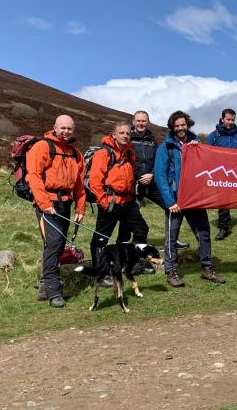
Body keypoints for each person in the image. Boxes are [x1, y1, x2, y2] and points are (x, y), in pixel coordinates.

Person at [155, 110, 226, 287]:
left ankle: (207, 268)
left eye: (183, 125)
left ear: (188, 125)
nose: (180, 128)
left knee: (203, 234)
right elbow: (160, 176)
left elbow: (209, 166)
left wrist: (199, 149)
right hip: (175, 200)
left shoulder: (197, 144)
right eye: (177, 125)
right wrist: (169, 201)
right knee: (171, 237)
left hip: (195, 199)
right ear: (172, 127)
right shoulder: (165, 148)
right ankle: (171, 271)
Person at [26, 115, 86, 308]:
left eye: (69, 128)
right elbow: (34, 177)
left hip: (65, 204)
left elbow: (79, 184)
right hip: (47, 203)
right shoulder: (42, 147)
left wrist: (80, 208)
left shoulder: (75, 153)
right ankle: (54, 292)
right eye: (62, 128)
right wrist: (45, 204)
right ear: (55, 127)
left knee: (57, 246)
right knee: (54, 243)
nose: (66, 131)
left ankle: (45, 287)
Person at [117, 110, 190, 250]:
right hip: (134, 183)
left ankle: (173, 240)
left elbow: (158, 160)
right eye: (138, 121)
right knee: (129, 212)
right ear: (133, 122)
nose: (141, 123)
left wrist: (152, 174)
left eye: (144, 121)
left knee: (172, 206)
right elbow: (125, 161)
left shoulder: (152, 140)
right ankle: (123, 244)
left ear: (148, 122)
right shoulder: (127, 139)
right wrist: (139, 176)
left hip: (152, 182)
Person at [88, 121, 151, 278]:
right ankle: (101, 272)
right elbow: (95, 182)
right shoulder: (103, 153)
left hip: (128, 202)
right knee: (101, 239)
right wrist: (104, 202)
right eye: (121, 133)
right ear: (114, 135)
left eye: (128, 133)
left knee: (141, 230)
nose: (125, 136)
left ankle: (131, 263)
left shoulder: (130, 152)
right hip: (110, 202)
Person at [207, 108, 237, 240]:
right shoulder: (214, 135)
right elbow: (207, 153)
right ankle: (224, 227)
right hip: (222, 174)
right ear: (222, 119)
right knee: (223, 201)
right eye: (228, 119)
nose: (230, 122)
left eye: (232, 120)